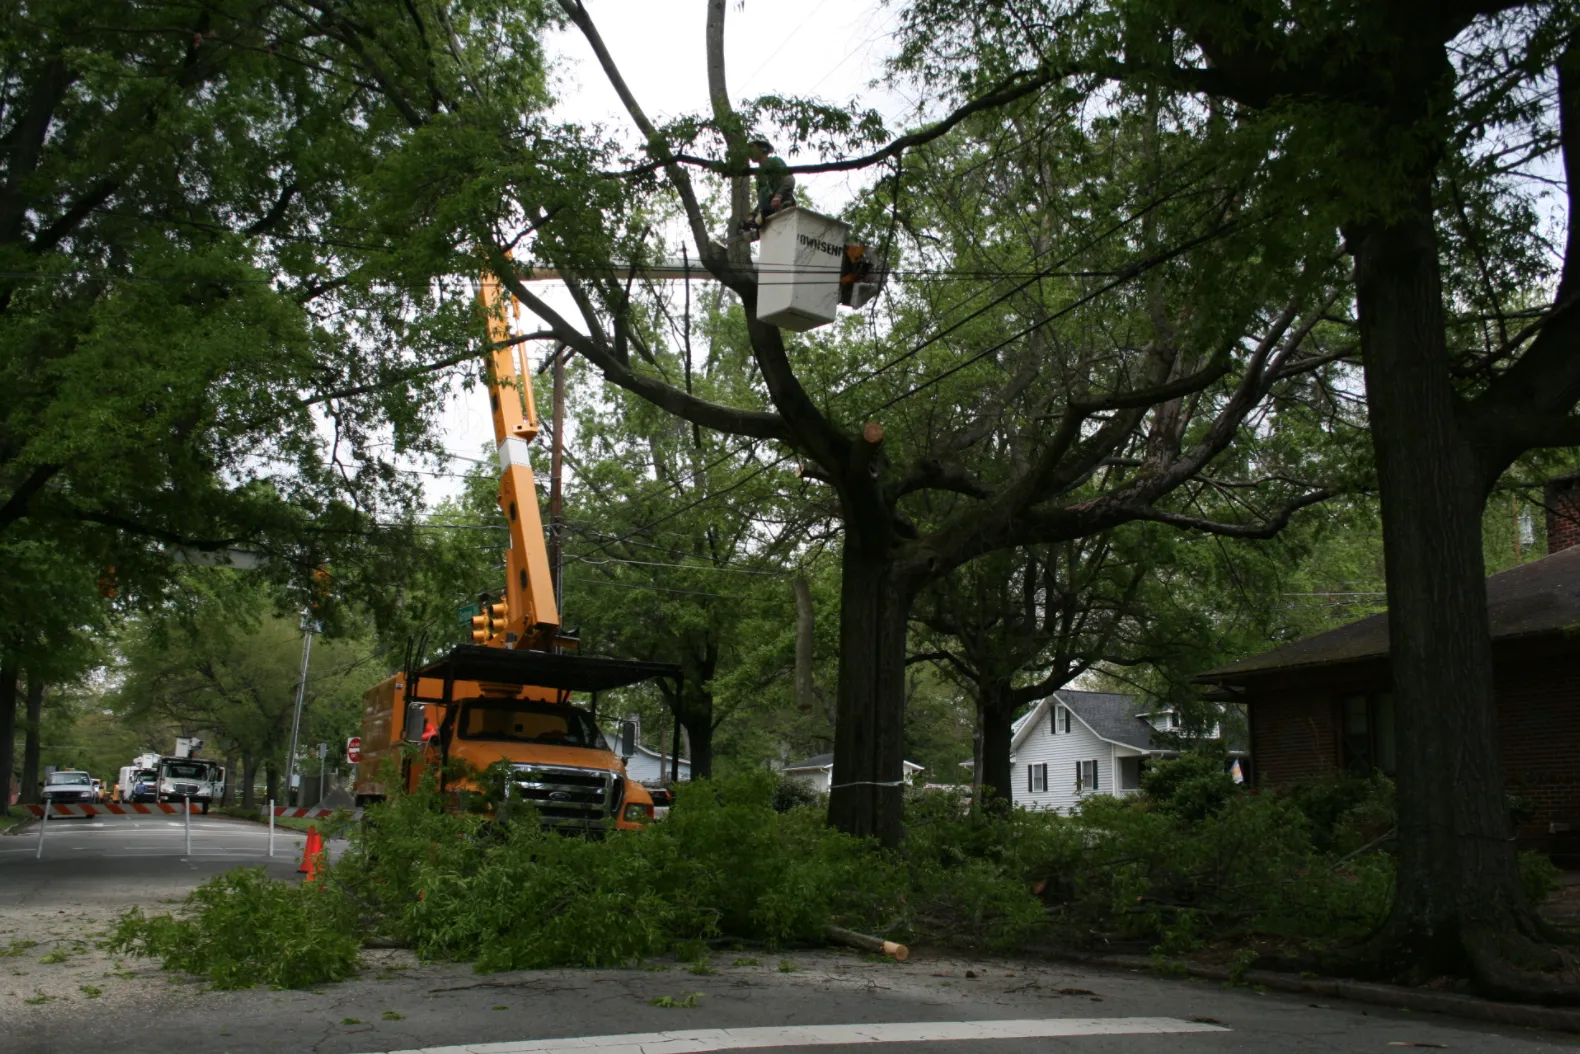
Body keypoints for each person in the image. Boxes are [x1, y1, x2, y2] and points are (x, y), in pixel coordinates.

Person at [747, 138, 795, 227]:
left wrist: (779, 195)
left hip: (783, 211)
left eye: (752, 148)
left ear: (762, 149)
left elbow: (789, 179)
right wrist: (753, 214)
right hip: (770, 218)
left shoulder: (774, 162)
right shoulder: (759, 175)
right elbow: (765, 199)